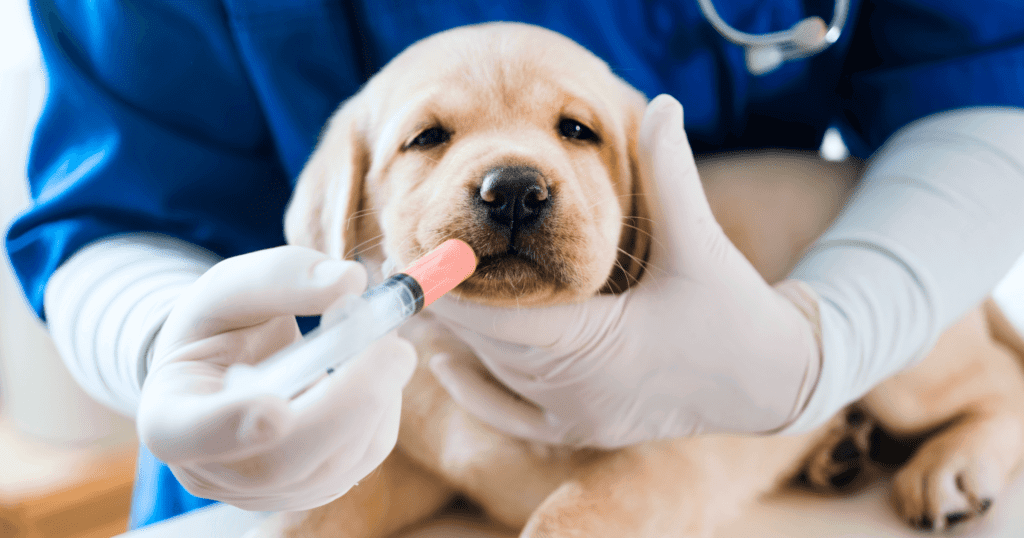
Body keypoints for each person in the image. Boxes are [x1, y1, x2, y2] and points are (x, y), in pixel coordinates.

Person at [7, 0, 1024, 529]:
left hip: (831, 289)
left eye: (574, 131)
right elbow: (108, 200)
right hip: (274, 414)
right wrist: (160, 346)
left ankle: (991, 409)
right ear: (345, 190)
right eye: (432, 137)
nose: (510, 182)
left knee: (917, 372)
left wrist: (821, 341)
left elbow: (979, 78)